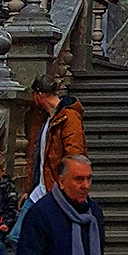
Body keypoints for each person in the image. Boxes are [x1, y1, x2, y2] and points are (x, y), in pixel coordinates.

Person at [25, 73, 85, 202]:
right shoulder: (47, 117)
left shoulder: (69, 117)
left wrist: (65, 186)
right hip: (41, 189)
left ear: (39, 95)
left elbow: (75, 153)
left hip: (56, 190)